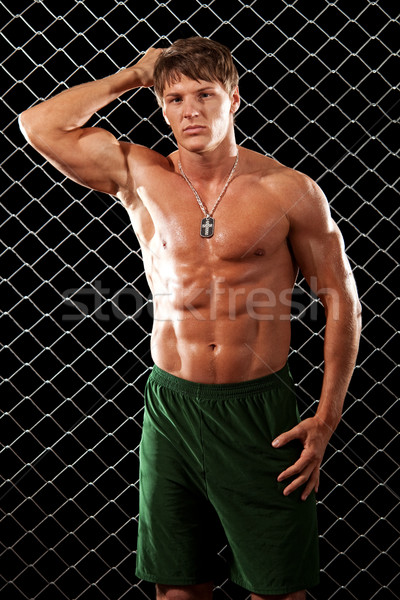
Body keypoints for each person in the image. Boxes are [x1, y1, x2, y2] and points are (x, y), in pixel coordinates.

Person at [19, 37, 361, 600]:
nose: (191, 110)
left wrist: (326, 419)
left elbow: (342, 301)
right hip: (172, 406)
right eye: (174, 98)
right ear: (161, 106)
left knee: (278, 589)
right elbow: (39, 125)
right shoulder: (141, 175)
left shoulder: (288, 190)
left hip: (258, 411)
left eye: (205, 94)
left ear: (235, 101)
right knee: (177, 588)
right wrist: (134, 74)